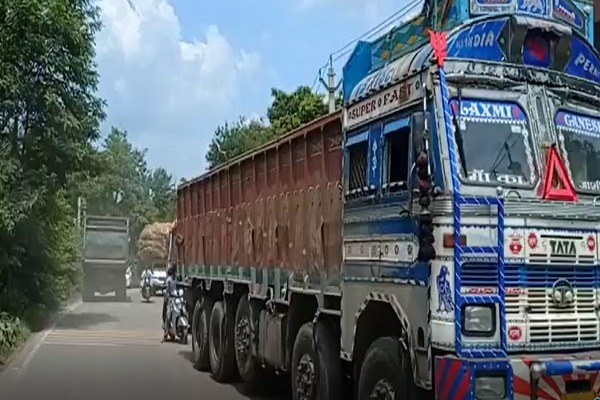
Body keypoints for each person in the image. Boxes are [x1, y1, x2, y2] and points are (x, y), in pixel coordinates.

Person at [162, 266, 177, 340]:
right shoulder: (174, 279)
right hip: (171, 299)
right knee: (167, 315)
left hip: (174, 299)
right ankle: (166, 332)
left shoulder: (171, 279)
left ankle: (166, 333)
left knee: (167, 315)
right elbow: (167, 290)